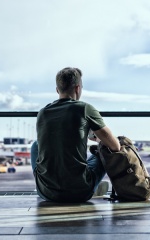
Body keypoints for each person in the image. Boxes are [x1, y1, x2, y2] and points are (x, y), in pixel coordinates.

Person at [31, 67, 120, 202]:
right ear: (78, 88)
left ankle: (49, 184)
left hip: (46, 193)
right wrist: (98, 140)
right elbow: (115, 146)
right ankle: (93, 185)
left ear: (57, 90)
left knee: (36, 145)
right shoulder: (84, 108)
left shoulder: (42, 113)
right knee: (104, 151)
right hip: (79, 193)